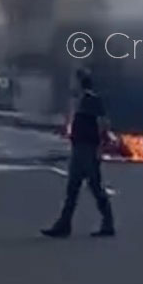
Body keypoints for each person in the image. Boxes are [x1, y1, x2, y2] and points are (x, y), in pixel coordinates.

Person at [41, 69, 115, 238]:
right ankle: (63, 225)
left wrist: (99, 149)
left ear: (80, 82)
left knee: (95, 187)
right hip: (78, 149)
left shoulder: (92, 100)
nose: (71, 84)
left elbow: (103, 124)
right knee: (72, 189)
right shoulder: (80, 101)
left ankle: (108, 223)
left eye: (74, 81)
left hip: (88, 150)